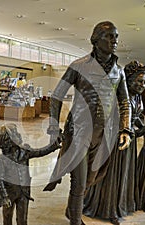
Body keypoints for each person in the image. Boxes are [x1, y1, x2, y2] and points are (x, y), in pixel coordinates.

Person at [43, 21, 133, 225]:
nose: (114, 41)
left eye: (116, 37)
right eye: (109, 36)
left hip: (104, 135)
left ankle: (71, 209)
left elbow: (124, 102)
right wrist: (53, 126)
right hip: (79, 132)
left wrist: (125, 128)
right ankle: (75, 220)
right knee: (79, 181)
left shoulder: (119, 71)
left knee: (90, 180)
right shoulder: (78, 66)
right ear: (95, 40)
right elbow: (56, 96)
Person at [83, 61, 145, 224]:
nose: (142, 85)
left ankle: (122, 204)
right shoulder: (117, 97)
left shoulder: (137, 98)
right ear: (129, 80)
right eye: (139, 81)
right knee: (111, 174)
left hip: (129, 141)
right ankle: (109, 208)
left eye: (144, 82)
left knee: (124, 173)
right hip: (113, 140)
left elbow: (135, 119)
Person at [0, 123, 62, 225]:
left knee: (23, 220)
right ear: (8, 141)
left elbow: (40, 151)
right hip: (9, 194)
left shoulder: (24, 151)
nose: (19, 135)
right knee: (7, 218)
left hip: (23, 193)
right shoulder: (3, 159)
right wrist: (5, 196)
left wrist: (54, 144)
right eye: (16, 134)